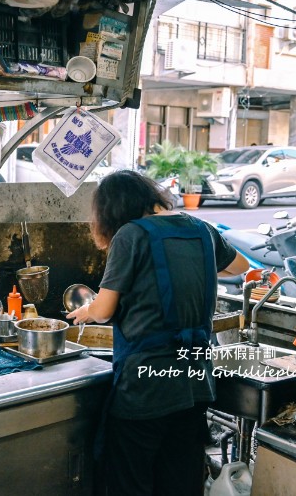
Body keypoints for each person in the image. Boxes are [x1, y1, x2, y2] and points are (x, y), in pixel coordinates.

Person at [67, 170, 248, 496]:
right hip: (195, 378)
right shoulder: (202, 229)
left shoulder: (130, 235)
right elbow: (240, 266)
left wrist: (88, 310)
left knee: (131, 482)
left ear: (111, 211)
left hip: (147, 385)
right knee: (180, 481)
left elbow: (104, 309)